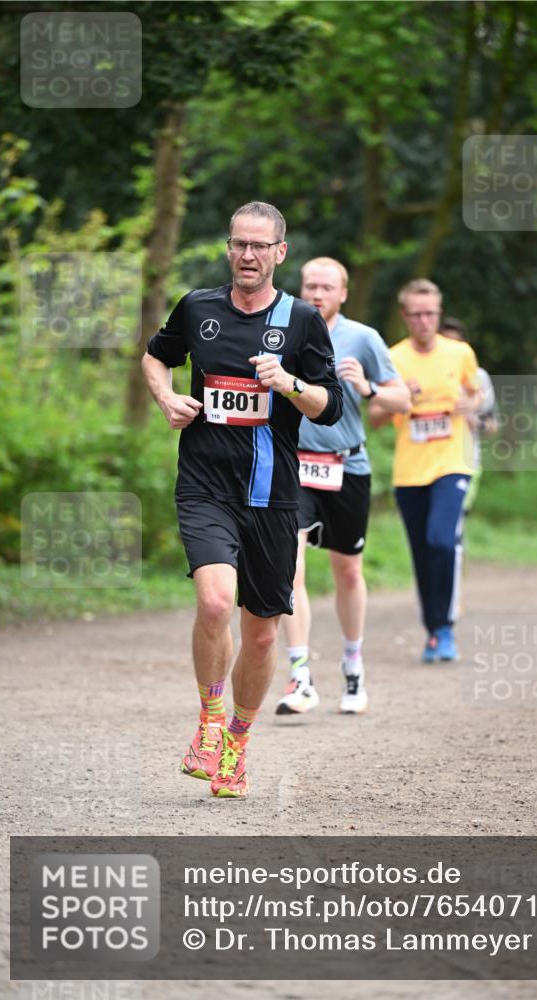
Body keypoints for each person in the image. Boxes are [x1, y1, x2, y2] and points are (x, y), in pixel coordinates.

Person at [141, 202, 343, 798]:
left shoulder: (302, 321)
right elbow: (156, 355)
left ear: (281, 253)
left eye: (259, 246)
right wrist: (166, 397)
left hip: (274, 496)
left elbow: (329, 406)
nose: (247, 256)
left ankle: (237, 741)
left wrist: (289, 383)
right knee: (213, 601)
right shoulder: (198, 307)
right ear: (229, 248)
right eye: (238, 244)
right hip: (205, 484)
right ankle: (208, 720)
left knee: (260, 634)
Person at [275, 257, 410, 716]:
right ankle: (300, 675)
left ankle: (353, 663)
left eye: (326, 287)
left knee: (347, 571)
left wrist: (369, 388)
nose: (316, 293)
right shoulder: (284, 328)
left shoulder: (364, 338)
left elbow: (403, 399)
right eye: (310, 285)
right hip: (293, 468)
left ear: (343, 293)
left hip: (347, 466)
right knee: (288, 566)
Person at [369, 279, 481, 663]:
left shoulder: (460, 353)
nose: (423, 321)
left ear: (438, 312)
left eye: (430, 313)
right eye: (415, 314)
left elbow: (476, 393)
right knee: (421, 551)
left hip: (452, 464)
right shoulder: (392, 358)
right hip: (409, 472)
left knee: (441, 540)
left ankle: (446, 626)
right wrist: (402, 399)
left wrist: (471, 404)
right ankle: (434, 630)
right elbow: (376, 417)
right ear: (404, 316)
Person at [439, 317, 498, 512]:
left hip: (466, 459)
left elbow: (493, 424)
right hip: (428, 460)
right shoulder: (427, 372)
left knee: (454, 520)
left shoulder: (479, 377)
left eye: (456, 344)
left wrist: (476, 423)